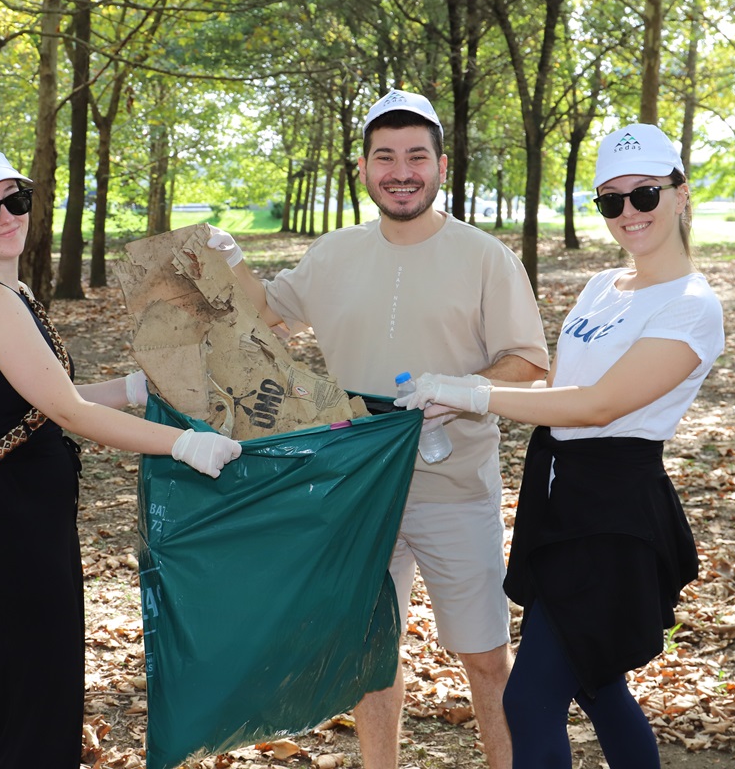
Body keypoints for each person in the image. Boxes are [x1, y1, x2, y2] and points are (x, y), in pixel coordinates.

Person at [207, 89, 548, 769]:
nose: (401, 171)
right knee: (368, 655)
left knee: (484, 654)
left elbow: (531, 364)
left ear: (442, 167)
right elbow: (268, 313)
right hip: (356, 487)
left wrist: (465, 391)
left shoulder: (486, 257)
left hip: (453, 484)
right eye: (385, 157)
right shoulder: (333, 253)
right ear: (361, 168)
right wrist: (228, 253)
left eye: (416, 157)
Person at [396, 123, 725, 768]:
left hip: (614, 513)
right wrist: (455, 390)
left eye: (645, 195)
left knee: (530, 700)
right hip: (559, 498)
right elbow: (561, 383)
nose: (628, 213)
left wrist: (470, 396)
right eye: (610, 201)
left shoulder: (691, 306)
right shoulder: (604, 285)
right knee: (599, 685)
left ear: (681, 196)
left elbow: (598, 404)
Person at [0, 141, 241, 768]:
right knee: (34, 715)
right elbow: (69, 413)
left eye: (15, 199)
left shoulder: (3, 287)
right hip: (5, 535)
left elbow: (42, 399)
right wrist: (183, 444)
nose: (7, 217)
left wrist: (129, 390)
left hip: (26, 525)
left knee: (41, 707)